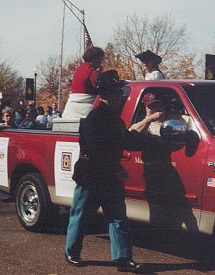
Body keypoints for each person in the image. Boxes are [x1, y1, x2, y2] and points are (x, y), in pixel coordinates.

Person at [65, 70, 148, 273]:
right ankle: (71, 253)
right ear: (107, 95)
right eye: (117, 93)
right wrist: (115, 170)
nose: (121, 96)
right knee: (81, 216)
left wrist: (152, 138)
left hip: (108, 175)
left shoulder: (113, 118)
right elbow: (96, 151)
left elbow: (126, 140)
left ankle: (123, 259)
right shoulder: (95, 118)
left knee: (118, 218)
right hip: (91, 176)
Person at [129, 92, 198, 232]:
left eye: (158, 105)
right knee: (157, 214)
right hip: (153, 171)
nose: (156, 109)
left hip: (172, 172)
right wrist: (151, 118)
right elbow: (131, 133)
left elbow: (194, 125)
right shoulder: (143, 124)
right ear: (145, 108)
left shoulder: (176, 120)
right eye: (151, 106)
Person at [62, 47, 105, 118]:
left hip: (70, 109)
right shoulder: (92, 71)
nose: (101, 62)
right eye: (100, 59)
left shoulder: (80, 68)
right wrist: (99, 73)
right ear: (94, 59)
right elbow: (100, 86)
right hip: (86, 109)